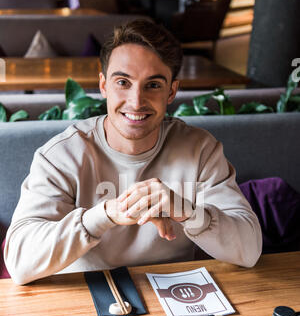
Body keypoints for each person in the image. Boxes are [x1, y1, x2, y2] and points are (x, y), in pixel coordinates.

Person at [4, 19, 262, 285]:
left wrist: (188, 212)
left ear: (172, 91)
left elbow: (249, 251)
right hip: (86, 298)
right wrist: (105, 215)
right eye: (123, 82)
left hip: (174, 292)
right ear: (103, 85)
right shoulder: (62, 155)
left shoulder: (200, 149)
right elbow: (19, 262)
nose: (136, 102)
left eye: (153, 85)